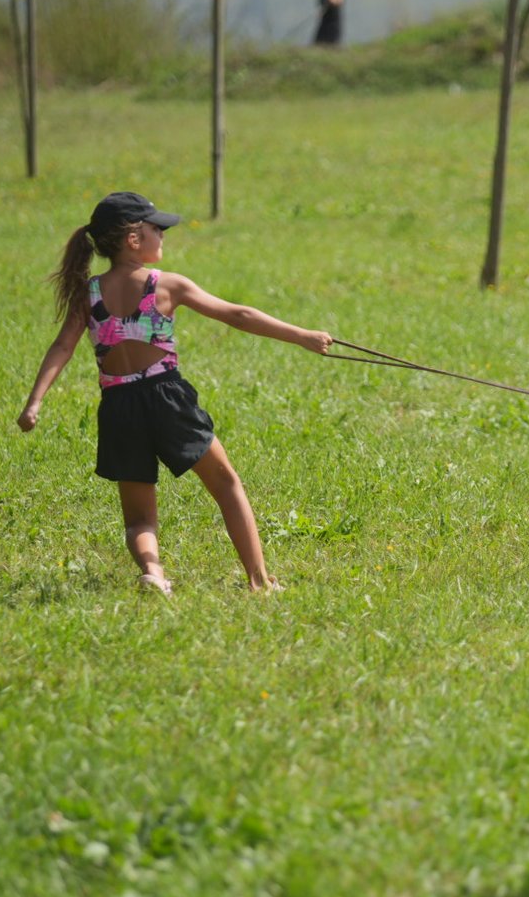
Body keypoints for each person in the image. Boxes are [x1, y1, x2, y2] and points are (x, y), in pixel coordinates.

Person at [18, 191, 333, 595]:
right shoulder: (165, 285)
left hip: (119, 408)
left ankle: (153, 572)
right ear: (134, 239)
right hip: (167, 399)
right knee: (227, 486)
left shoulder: (88, 292)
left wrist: (35, 402)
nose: (163, 235)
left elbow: (62, 346)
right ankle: (259, 580)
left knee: (138, 520)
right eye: (157, 229)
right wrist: (301, 335)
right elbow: (238, 315)